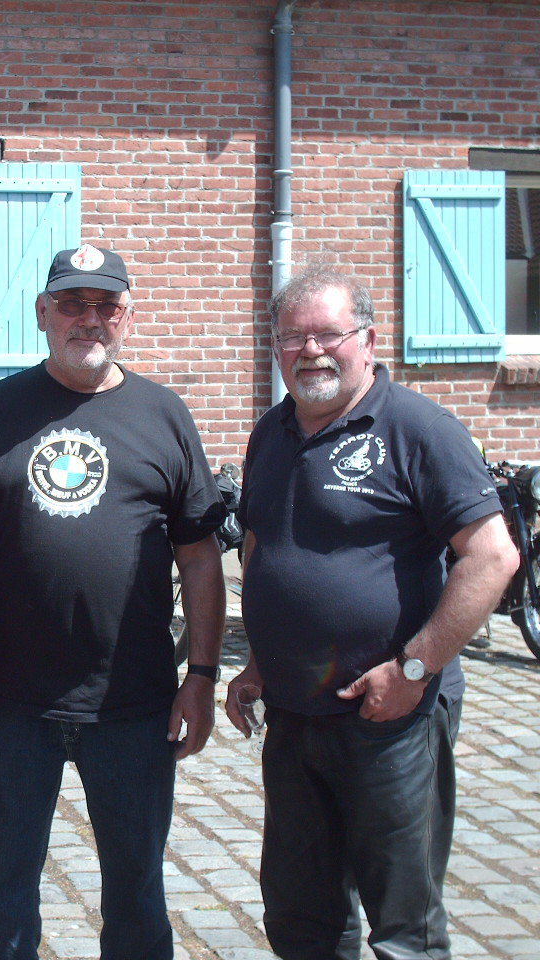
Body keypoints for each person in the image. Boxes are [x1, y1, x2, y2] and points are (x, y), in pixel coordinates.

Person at [226, 267, 519, 960]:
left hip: (391, 718)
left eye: (329, 334)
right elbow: (267, 546)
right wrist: (259, 662)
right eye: (293, 337)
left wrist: (414, 669)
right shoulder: (271, 433)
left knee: (403, 926)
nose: (311, 351)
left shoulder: (419, 429)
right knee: (301, 915)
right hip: (294, 715)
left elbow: (492, 556)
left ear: (368, 339)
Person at [0, 243, 227, 960]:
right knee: (5, 891)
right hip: (15, 701)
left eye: (106, 306)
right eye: (72, 304)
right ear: (42, 313)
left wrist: (202, 677)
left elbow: (200, 557)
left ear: (127, 318)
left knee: (138, 895)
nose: (90, 319)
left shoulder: (164, 414)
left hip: (134, 703)